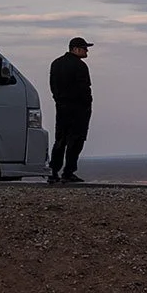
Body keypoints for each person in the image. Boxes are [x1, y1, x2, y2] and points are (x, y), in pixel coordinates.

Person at [48, 36, 93, 183]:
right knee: (76, 140)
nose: (87, 51)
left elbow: (52, 86)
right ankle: (68, 171)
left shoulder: (56, 64)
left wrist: (59, 100)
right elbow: (85, 89)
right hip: (78, 109)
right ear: (76, 49)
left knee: (60, 140)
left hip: (61, 108)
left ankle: (53, 171)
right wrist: (87, 105)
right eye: (84, 48)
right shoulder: (80, 66)